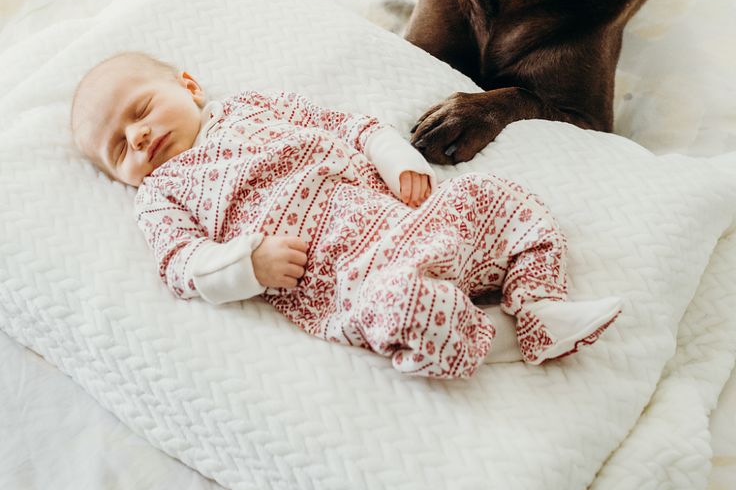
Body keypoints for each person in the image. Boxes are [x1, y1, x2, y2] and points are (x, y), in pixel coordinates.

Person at [71, 51, 621, 379]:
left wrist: (396, 160)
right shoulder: (161, 192)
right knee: (402, 308)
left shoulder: (253, 106)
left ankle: (539, 303)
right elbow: (179, 264)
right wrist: (247, 265)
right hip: (350, 279)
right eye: (119, 148)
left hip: (406, 222)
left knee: (498, 199)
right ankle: (500, 339)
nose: (137, 136)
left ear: (187, 86)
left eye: (140, 111)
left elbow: (348, 125)